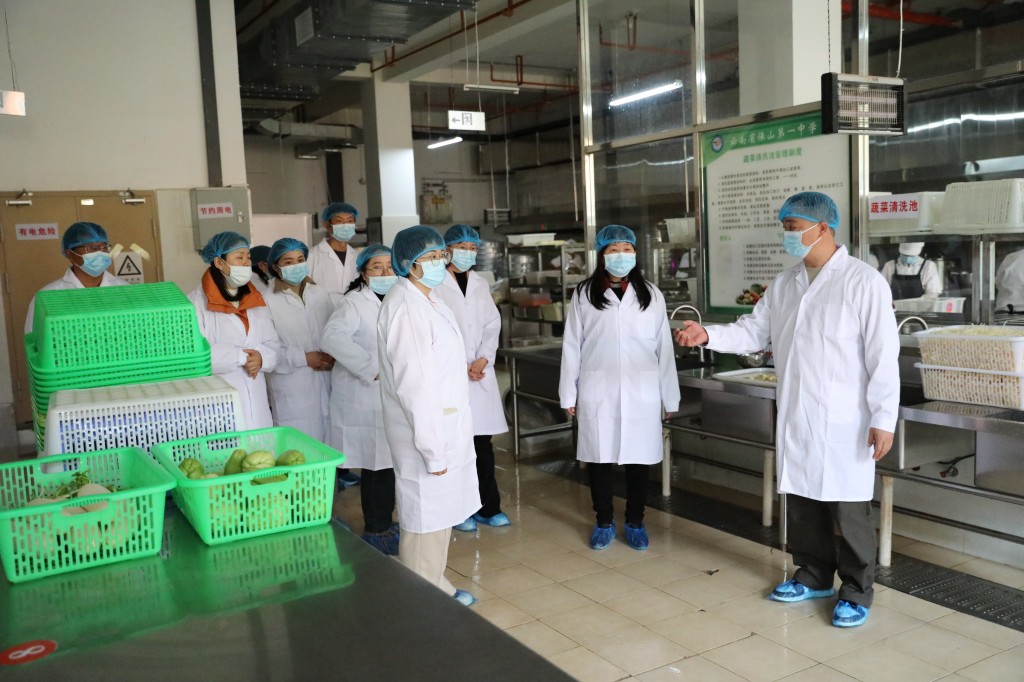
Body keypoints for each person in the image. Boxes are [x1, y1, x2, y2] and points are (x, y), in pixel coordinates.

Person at [675, 192, 899, 629]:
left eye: (794, 227)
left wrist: (883, 419)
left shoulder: (863, 282)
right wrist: (708, 335)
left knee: (849, 508)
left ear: (824, 228)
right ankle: (813, 575)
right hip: (797, 412)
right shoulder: (784, 283)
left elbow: (882, 358)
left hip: (847, 418)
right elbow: (753, 332)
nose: (788, 235)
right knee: (802, 501)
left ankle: (856, 591)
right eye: (786, 228)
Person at [559, 225, 680, 552]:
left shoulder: (651, 294)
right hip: (599, 389)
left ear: (636, 254)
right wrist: (569, 392)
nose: (621, 255)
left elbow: (664, 348)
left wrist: (670, 397)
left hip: (642, 390)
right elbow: (572, 345)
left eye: (627, 249)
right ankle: (603, 522)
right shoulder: (584, 293)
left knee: (639, 461)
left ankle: (635, 522)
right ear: (602, 255)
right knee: (599, 460)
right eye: (614, 250)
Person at [377, 225, 479, 606]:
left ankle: (436, 583)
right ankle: (421, 603)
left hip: (443, 428)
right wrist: (433, 449)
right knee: (424, 523)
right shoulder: (406, 308)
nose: (439, 262)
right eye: (430, 257)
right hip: (427, 436)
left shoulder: (427, 299)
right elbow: (415, 386)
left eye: (441, 255)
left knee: (438, 520)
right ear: (408, 263)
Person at [321, 244, 400, 555]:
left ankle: (385, 523)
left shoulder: (397, 298)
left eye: (389, 266)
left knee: (387, 464)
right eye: (377, 267)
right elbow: (331, 337)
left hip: (391, 395)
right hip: (366, 394)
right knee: (376, 465)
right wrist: (370, 368)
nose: (385, 272)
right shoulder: (354, 302)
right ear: (364, 274)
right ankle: (377, 529)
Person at [435, 224, 511, 533]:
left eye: (472, 248)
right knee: (455, 446)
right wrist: (458, 364)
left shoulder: (480, 283)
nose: (467, 252)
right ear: (447, 249)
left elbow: (492, 324)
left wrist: (483, 358)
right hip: (449, 375)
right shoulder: (434, 282)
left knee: (482, 445)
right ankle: (458, 510)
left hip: (479, 373)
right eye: (461, 247)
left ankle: (488, 507)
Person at [188, 231, 281, 429]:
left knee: (261, 446)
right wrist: (241, 357)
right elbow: (194, 355)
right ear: (219, 262)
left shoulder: (254, 298)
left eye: (248, 257)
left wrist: (262, 358)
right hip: (218, 407)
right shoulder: (195, 303)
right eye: (239, 257)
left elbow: (273, 344)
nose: (246, 263)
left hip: (258, 405)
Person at [263, 238, 334, 442]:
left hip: (327, 379)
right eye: (288, 262)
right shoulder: (266, 300)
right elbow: (266, 350)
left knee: (331, 449)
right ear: (275, 267)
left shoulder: (320, 293)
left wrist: (333, 355)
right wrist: (303, 358)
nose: (296, 265)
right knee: (298, 448)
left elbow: (333, 332)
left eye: (300, 260)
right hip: (293, 387)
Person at [25, 222, 129, 334]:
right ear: (69, 254)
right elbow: (33, 339)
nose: (100, 252)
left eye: (104, 247)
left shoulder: (125, 290)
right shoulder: (47, 297)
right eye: (91, 248)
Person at [307, 202, 361, 303]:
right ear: (327, 225)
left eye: (350, 221)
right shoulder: (311, 256)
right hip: (321, 311)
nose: (345, 225)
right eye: (339, 221)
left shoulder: (358, 257)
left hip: (351, 309)